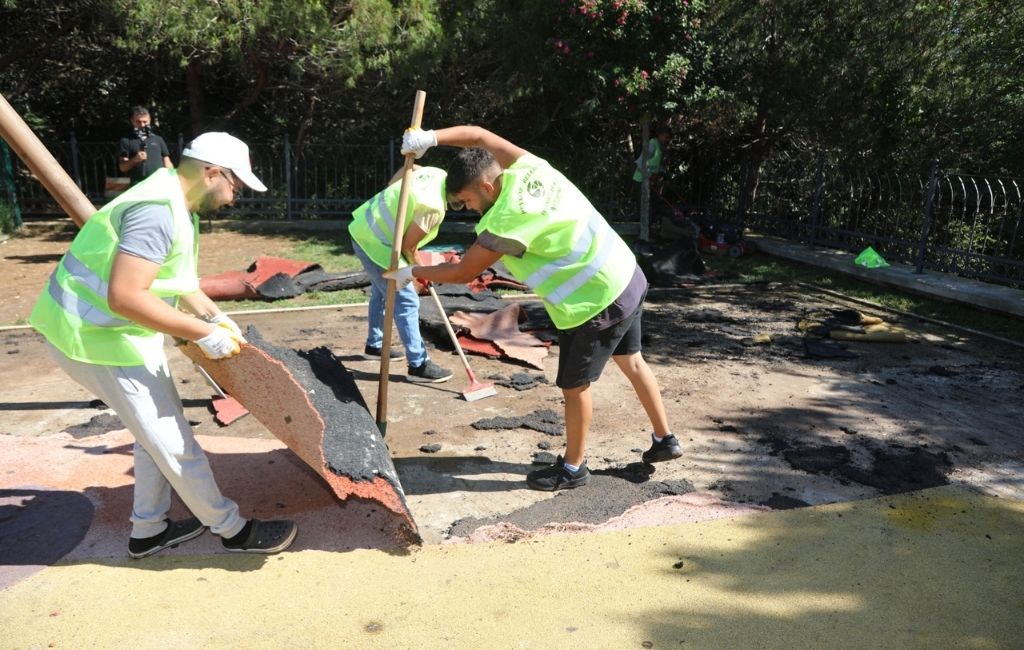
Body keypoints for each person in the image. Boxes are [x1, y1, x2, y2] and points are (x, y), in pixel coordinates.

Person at [29, 132, 298, 558]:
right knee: (173, 440)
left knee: (152, 432)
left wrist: (215, 317)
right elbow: (126, 296)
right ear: (212, 173)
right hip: (95, 338)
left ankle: (149, 530)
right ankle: (232, 530)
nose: (234, 198)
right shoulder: (156, 211)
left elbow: (180, 282)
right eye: (235, 187)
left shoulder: (178, 204)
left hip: (122, 333)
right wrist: (202, 333)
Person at [389, 126, 680, 491]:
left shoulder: (505, 220)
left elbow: (465, 271)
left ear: (487, 187)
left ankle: (573, 469)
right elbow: (479, 136)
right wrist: (432, 138)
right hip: (626, 275)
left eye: (466, 200)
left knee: (575, 388)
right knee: (632, 361)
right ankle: (665, 438)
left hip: (592, 302)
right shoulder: (531, 167)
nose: (467, 209)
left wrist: (412, 270)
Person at [348, 165, 454, 382]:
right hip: (380, 245)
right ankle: (418, 364)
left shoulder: (436, 173)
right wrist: (420, 273)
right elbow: (408, 247)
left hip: (361, 230)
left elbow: (411, 166)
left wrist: (391, 188)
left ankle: (375, 344)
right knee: (406, 301)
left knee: (381, 293)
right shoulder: (433, 207)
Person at [117, 106, 173, 186]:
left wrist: (171, 178)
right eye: (138, 122)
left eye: (145, 122)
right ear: (132, 121)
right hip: (138, 186)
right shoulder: (126, 140)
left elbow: (167, 162)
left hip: (160, 184)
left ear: (149, 120)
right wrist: (135, 159)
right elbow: (122, 167)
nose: (142, 125)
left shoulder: (158, 139)